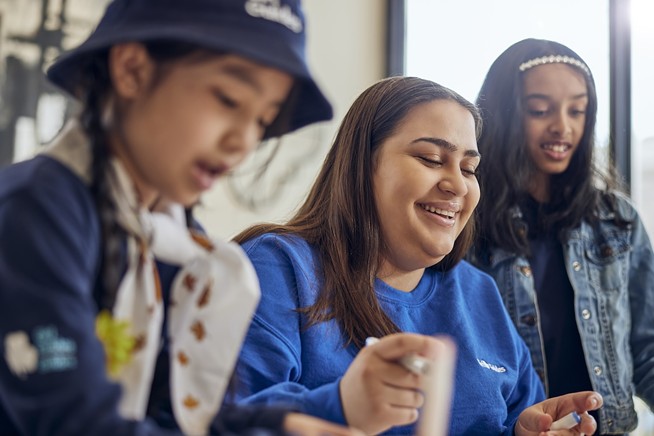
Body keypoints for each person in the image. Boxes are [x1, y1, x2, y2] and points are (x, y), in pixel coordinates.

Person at [0, 0, 360, 434]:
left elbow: (178, 417)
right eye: (228, 99)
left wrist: (295, 422)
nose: (243, 141)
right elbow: (75, 423)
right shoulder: (37, 213)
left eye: (263, 120)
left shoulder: (178, 247)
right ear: (133, 70)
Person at [231, 76, 603, 435]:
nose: (457, 184)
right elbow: (223, 415)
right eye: (430, 158)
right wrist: (343, 404)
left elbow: (519, 412)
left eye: (469, 168)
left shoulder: (479, 294)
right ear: (363, 165)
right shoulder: (278, 268)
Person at [468, 38, 654, 435]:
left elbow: (647, 348)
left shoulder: (617, 219)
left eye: (578, 110)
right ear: (503, 112)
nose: (563, 126)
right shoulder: (467, 222)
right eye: (540, 109)